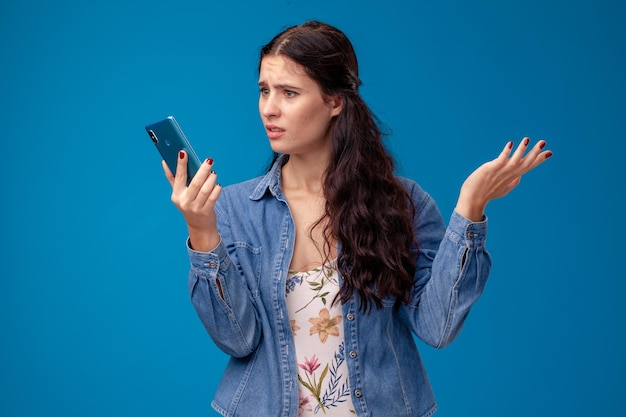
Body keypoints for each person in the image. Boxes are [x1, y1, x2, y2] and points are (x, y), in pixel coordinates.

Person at [162, 21, 552, 417]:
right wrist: (202, 230)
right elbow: (238, 340)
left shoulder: (401, 203)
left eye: (289, 93)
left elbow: (438, 327)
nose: (269, 108)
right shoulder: (233, 208)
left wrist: (470, 207)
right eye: (264, 90)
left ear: (336, 101)